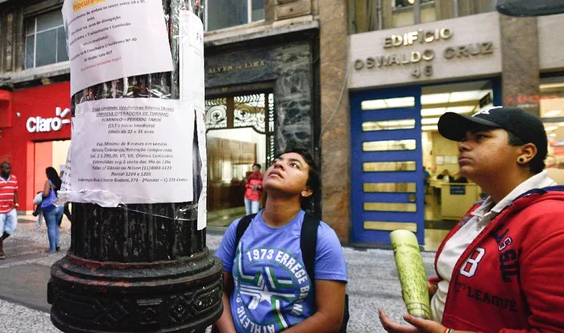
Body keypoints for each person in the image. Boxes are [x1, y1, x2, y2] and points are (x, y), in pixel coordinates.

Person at [379, 107, 564, 333]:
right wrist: (438, 290)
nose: (463, 145)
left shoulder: (553, 223)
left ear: (525, 152)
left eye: (480, 137)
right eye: (465, 139)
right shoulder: (482, 209)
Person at [214, 149, 348, 333]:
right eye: (276, 161)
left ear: (307, 190)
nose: (278, 164)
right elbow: (216, 290)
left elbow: (331, 317)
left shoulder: (322, 237)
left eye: (293, 165)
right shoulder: (239, 228)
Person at [41, 166, 64, 253]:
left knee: (51, 227)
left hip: (51, 207)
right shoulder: (60, 182)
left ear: (48, 174)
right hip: (60, 206)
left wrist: (41, 194)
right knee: (55, 226)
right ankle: (57, 244)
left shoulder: (48, 182)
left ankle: (52, 248)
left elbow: (46, 194)